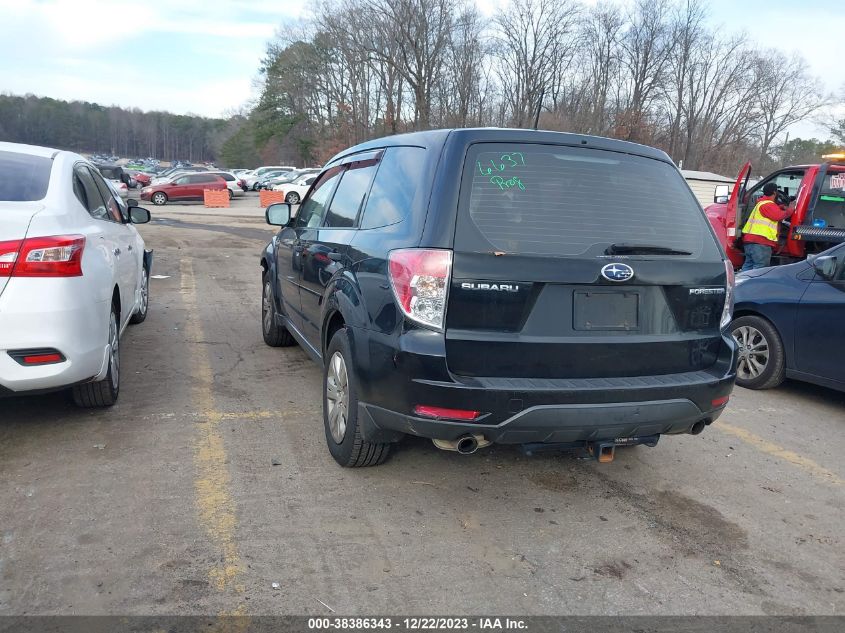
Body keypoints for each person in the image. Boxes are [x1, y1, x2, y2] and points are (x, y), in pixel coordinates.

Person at [740, 182, 792, 271]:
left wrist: (781, 207)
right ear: (775, 193)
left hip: (750, 241)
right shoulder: (768, 205)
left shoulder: (762, 203)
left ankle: (742, 283)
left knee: (748, 266)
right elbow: (778, 216)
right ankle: (755, 285)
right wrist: (791, 208)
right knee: (760, 268)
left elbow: (773, 212)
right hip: (760, 242)